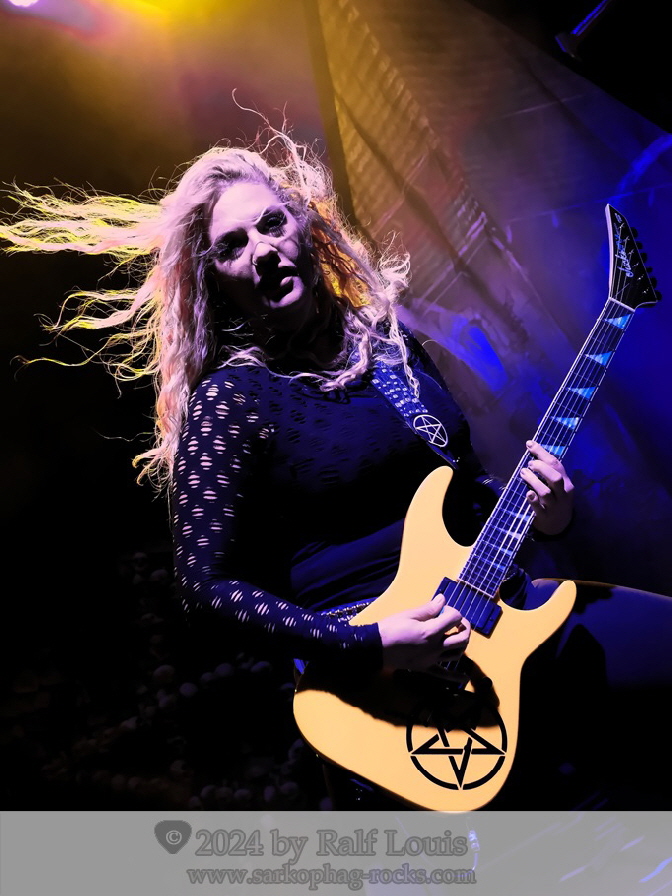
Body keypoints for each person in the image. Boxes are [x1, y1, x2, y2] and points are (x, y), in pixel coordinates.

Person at [3, 131, 671, 809]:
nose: (262, 250)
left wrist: (550, 514)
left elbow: (470, 496)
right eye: (232, 246)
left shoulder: (391, 350)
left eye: (271, 224)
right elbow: (206, 588)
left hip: (504, 619)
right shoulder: (231, 401)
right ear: (214, 282)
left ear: (306, 226)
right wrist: (368, 643)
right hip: (389, 687)